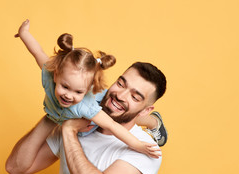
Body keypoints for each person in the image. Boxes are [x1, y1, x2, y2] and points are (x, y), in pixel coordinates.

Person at [6, 57, 167, 174]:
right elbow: (16, 168)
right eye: (121, 83)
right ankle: (153, 122)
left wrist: (68, 130)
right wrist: (54, 113)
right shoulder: (81, 127)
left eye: (135, 96)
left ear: (145, 109)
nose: (120, 95)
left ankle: (154, 123)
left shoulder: (147, 151)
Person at [14, 19, 160, 158]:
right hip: (69, 113)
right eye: (65, 87)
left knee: (113, 112)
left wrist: (139, 146)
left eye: (78, 92)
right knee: (114, 105)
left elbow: (113, 126)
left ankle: (153, 122)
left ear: (89, 87)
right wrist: (24, 33)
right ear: (56, 75)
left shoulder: (86, 106)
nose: (69, 96)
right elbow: (37, 52)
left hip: (93, 106)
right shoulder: (49, 74)